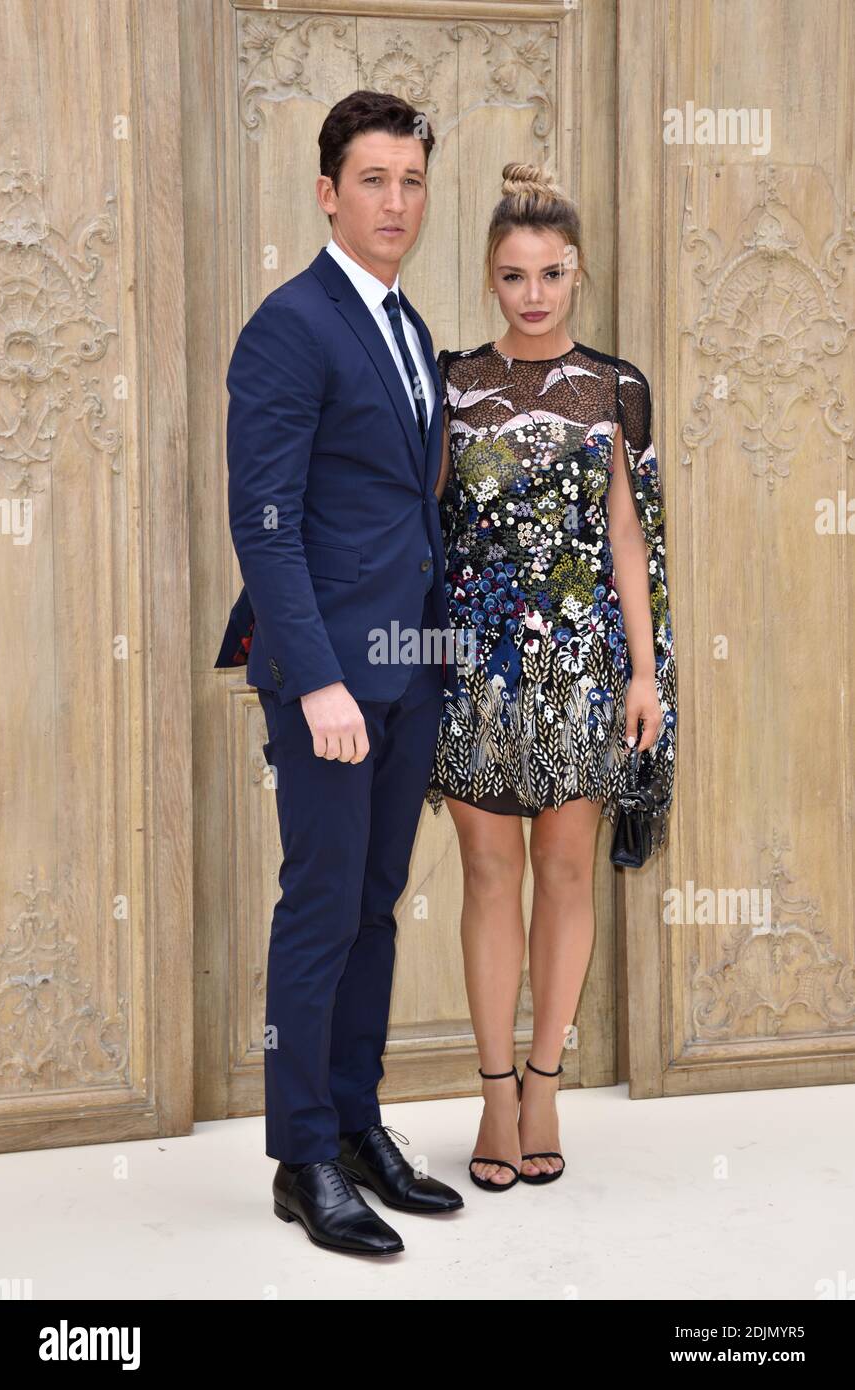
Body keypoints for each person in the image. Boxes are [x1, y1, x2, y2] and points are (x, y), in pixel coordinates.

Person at [215, 90, 464, 1257]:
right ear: (327, 191)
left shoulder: (410, 328)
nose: (394, 202)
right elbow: (264, 524)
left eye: (410, 181)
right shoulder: (289, 324)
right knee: (318, 910)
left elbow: (407, 508)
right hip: (324, 676)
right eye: (372, 180)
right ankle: (301, 1154)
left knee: (373, 909)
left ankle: (359, 1126)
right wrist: (313, 679)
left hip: (407, 669)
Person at [425, 163, 678, 1191]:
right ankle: (491, 1094)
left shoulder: (616, 390)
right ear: (490, 278)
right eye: (513, 273)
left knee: (566, 874)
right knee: (490, 877)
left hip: (581, 664)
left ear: (576, 275)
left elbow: (628, 535)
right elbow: (422, 527)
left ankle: (543, 1081)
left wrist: (646, 672)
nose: (532, 292)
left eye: (550, 273)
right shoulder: (447, 385)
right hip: (477, 666)